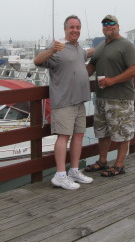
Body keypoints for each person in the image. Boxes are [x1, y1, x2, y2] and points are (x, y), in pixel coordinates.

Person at [34, 15, 94, 190]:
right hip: (64, 101)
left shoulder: (78, 49)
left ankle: (74, 171)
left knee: (79, 136)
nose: (75, 30)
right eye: (71, 27)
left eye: (77, 27)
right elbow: (37, 61)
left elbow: (88, 53)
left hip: (79, 100)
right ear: (65, 29)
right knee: (63, 137)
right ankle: (60, 175)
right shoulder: (58, 47)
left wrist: (102, 47)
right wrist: (52, 49)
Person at [84, 15, 135, 176]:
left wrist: (112, 81)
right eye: (105, 24)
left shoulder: (126, 45)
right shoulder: (101, 46)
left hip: (121, 97)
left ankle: (119, 164)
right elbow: (91, 67)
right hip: (101, 97)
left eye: (111, 23)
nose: (108, 26)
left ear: (118, 26)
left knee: (123, 132)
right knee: (103, 132)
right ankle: (102, 161)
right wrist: (75, 77)